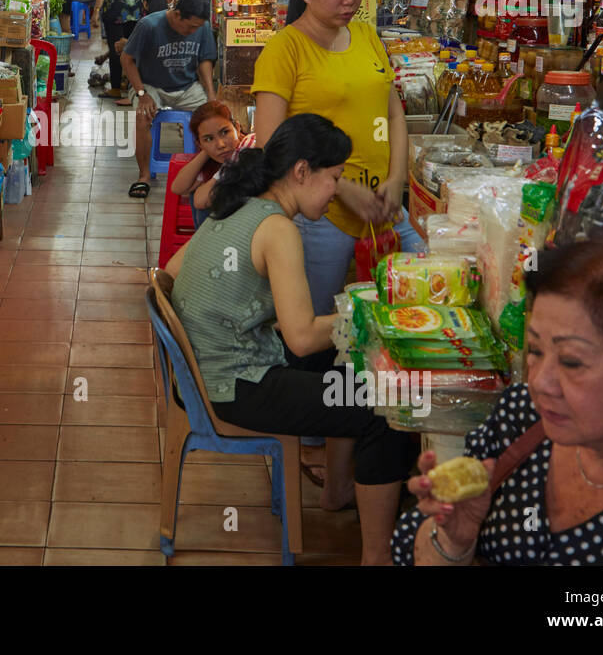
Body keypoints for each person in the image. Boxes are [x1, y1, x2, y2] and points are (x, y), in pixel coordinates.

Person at [166, 114, 417, 565]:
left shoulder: (239, 205)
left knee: (349, 360)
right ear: (301, 171)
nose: (335, 191)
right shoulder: (279, 229)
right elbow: (301, 339)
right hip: (234, 386)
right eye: (334, 179)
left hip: (204, 372)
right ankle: (378, 556)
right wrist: (367, 309)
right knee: (388, 406)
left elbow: (169, 274)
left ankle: (339, 489)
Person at [394, 237, 603, 566]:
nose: (539, 382)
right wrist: (454, 541)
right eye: (536, 350)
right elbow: (412, 545)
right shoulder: (522, 415)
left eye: (571, 361)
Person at [252, 0, 425, 317]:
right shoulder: (285, 50)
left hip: (385, 207)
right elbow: (271, 144)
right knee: (320, 323)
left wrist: (398, 179)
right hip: (320, 213)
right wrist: (341, 188)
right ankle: (325, 381)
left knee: (419, 300)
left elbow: (392, 113)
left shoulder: (366, 36)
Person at [120, 0, 217, 199]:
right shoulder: (149, 25)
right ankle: (144, 176)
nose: (193, 31)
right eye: (190, 26)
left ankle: (205, 175)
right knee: (143, 117)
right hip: (150, 85)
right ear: (177, 14)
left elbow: (204, 61)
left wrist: (210, 94)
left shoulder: (202, 27)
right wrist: (141, 93)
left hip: (187, 87)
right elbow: (126, 59)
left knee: (214, 119)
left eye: (197, 28)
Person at [169, 100, 256, 229]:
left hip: (253, 227)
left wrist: (209, 145)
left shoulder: (249, 147)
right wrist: (206, 152)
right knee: (197, 191)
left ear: (237, 128)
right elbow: (177, 188)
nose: (220, 144)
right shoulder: (213, 159)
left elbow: (200, 201)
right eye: (208, 139)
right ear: (199, 144)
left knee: (208, 197)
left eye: (225, 132)